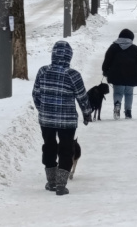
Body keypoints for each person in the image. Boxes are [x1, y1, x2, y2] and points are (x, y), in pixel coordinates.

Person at [33, 40, 92, 196]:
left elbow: (36, 94)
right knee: (66, 149)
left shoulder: (42, 71)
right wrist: (87, 113)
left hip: (46, 119)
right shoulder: (73, 75)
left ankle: (51, 181)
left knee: (49, 146)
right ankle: (61, 184)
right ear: (69, 57)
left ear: (53, 55)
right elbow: (82, 97)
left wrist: (43, 109)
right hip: (67, 121)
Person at [101, 29, 137, 120]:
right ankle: (128, 112)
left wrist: (105, 70)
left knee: (118, 92)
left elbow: (107, 60)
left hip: (116, 75)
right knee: (129, 93)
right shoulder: (135, 49)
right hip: (132, 75)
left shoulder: (113, 47)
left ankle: (117, 107)